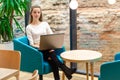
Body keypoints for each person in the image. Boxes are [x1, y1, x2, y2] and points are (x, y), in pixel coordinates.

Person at [26, 5, 76, 80]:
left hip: (48, 47)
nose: (37, 14)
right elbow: (31, 44)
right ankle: (66, 70)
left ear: (40, 14)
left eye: (38, 12)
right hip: (37, 50)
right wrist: (39, 45)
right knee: (52, 55)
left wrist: (50, 45)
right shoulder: (29, 27)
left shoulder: (44, 24)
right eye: (35, 12)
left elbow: (51, 36)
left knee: (52, 59)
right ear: (31, 14)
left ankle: (65, 72)